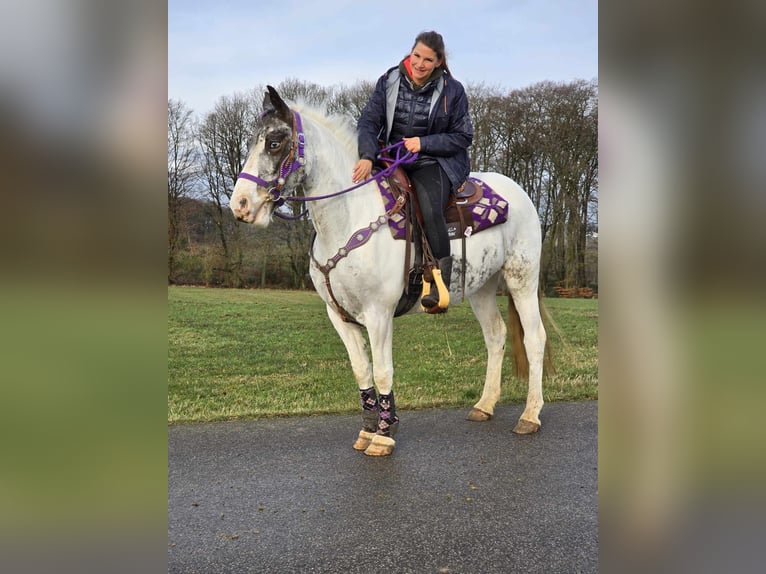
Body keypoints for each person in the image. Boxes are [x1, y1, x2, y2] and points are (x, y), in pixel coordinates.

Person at [352, 30, 474, 310]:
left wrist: (423, 143)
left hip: (434, 161)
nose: (419, 64)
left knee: (430, 208)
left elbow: (463, 137)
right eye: (416, 55)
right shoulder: (390, 80)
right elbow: (369, 121)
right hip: (390, 158)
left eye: (427, 59)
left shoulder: (453, 91)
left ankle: (440, 283)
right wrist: (367, 155)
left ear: (439, 62)